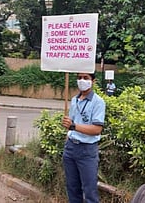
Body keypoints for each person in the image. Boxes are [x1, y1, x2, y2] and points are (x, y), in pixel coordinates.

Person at [61, 72, 106, 203]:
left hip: (87, 150)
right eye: (79, 78)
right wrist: (69, 133)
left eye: (85, 78)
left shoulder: (98, 102)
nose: (82, 80)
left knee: (90, 191)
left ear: (93, 81)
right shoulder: (75, 100)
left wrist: (73, 126)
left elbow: (97, 129)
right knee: (72, 188)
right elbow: (71, 125)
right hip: (70, 148)